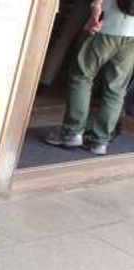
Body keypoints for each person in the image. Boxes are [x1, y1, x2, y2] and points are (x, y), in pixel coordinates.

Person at [45, 0, 134, 156]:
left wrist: (95, 10)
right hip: (131, 35)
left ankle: (72, 132)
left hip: (107, 24)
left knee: (81, 76)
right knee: (116, 88)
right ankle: (100, 141)